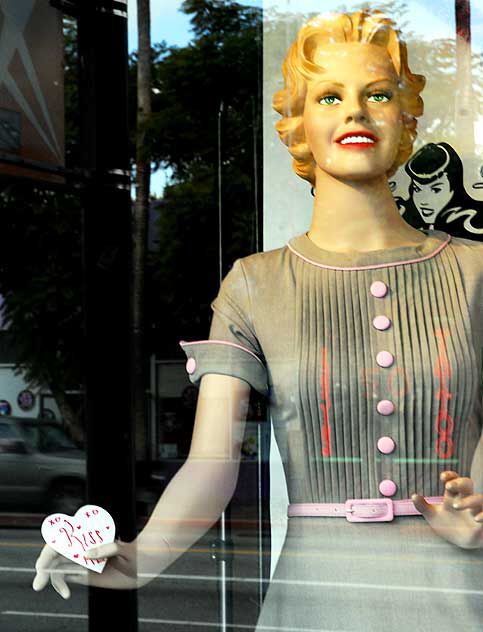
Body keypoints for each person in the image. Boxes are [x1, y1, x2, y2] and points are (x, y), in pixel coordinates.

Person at [33, 10, 483, 630]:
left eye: (377, 94)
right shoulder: (255, 284)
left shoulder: (474, 271)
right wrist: (137, 560)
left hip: (463, 589)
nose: (355, 112)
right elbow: (211, 464)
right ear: (298, 124)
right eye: (330, 96)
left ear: (407, 118)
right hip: (316, 595)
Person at [396, 141, 483, 238]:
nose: (424, 201)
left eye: (436, 190)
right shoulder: (402, 217)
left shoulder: (474, 221)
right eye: (417, 189)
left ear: (454, 186)